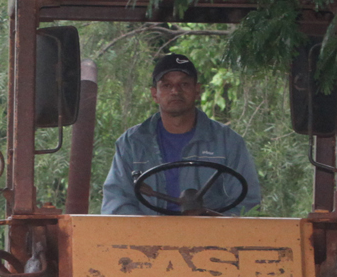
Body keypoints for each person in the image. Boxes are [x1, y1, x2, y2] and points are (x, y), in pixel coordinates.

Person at [101, 53, 263, 217]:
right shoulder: (132, 143)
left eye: (184, 84)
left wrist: (210, 229)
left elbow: (247, 204)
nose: (175, 91)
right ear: (154, 94)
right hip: (147, 238)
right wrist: (149, 235)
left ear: (197, 91)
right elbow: (116, 202)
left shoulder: (228, 142)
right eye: (166, 85)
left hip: (212, 238)